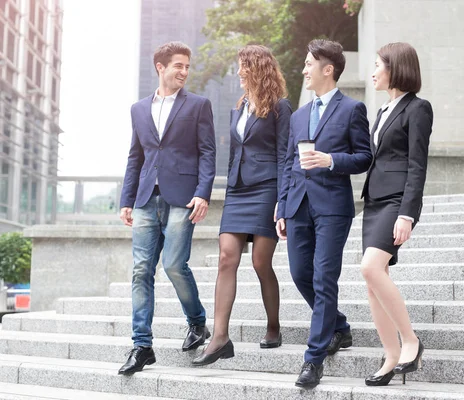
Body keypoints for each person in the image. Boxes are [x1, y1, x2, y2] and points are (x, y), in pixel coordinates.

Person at [276, 39, 372, 389]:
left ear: (327, 69)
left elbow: (365, 157)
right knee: (301, 272)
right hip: (298, 205)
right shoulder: (299, 115)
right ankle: (340, 327)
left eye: (308, 64)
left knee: (323, 277)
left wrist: (332, 161)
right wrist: (281, 205)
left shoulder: (352, 110)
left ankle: (313, 360)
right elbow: (289, 162)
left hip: (333, 207)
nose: (303, 69)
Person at [117, 41, 216, 375]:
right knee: (141, 270)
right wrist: (126, 199)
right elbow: (136, 156)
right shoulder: (139, 109)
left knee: (174, 265)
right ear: (160, 67)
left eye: (187, 66)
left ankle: (198, 322)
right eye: (178, 66)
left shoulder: (199, 105)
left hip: (183, 196)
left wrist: (204, 193)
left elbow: (208, 152)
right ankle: (142, 345)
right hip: (146, 198)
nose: (184, 72)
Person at [192, 45, 291, 367]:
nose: (238, 72)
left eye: (242, 66)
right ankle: (220, 337)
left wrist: (283, 200)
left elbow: (284, 156)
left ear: (257, 68)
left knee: (261, 263)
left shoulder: (280, 107)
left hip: (266, 189)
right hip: (238, 191)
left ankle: (273, 325)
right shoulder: (239, 107)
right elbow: (235, 151)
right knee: (225, 258)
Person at [360, 42, 433, 386]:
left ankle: (411, 341)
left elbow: (417, 166)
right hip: (373, 203)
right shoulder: (382, 111)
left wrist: (408, 214)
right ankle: (390, 355)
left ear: (395, 68)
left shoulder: (418, 109)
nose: (372, 72)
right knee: (373, 281)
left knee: (371, 267)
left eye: (377, 65)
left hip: (395, 202)